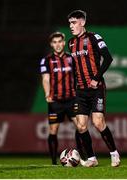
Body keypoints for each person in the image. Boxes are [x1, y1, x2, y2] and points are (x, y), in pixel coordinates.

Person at [67, 10, 120, 167]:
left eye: (74, 22)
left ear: (82, 22)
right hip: (81, 91)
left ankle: (114, 153)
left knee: (98, 122)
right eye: (69, 23)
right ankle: (91, 158)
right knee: (81, 126)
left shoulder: (94, 38)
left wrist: (96, 78)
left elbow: (108, 58)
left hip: (96, 88)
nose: (71, 26)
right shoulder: (71, 43)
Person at [40, 32, 85, 164]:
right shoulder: (46, 60)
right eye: (55, 42)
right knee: (53, 130)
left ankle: (83, 157)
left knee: (80, 127)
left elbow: (79, 76)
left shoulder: (72, 58)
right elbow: (45, 79)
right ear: (51, 44)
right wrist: (47, 94)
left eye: (60, 41)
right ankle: (54, 162)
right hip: (55, 101)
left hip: (72, 100)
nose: (58, 44)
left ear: (64, 43)